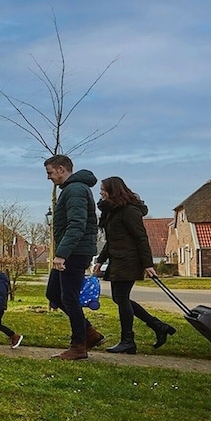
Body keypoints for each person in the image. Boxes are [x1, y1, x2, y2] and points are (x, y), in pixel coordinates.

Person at [93, 176, 176, 354]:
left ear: (113, 191)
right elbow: (112, 240)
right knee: (119, 299)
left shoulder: (129, 211)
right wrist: (100, 260)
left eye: (103, 189)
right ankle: (158, 326)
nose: (100, 192)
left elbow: (141, 238)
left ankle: (128, 341)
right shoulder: (112, 211)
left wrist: (148, 264)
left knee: (121, 299)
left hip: (129, 260)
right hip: (118, 259)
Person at [44, 154, 103, 360]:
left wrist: (61, 254)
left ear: (61, 169)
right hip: (70, 252)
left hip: (74, 253)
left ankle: (79, 346)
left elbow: (77, 224)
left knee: (68, 297)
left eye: (50, 172)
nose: (49, 177)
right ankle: (89, 333)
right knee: (54, 293)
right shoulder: (71, 189)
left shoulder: (76, 189)